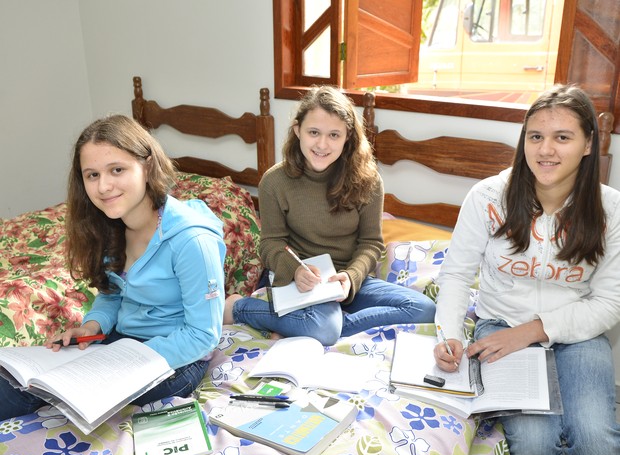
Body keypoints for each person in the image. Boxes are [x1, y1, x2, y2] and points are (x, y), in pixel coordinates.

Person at [433, 84, 620, 455]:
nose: (545, 150)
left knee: (595, 440)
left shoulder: (610, 209)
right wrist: (450, 335)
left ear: (587, 144)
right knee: (535, 444)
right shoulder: (487, 197)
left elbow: (609, 302)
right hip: (499, 323)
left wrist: (533, 331)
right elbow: (455, 275)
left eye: (562, 137)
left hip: (579, 333)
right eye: (535, 136)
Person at [0, 114, 226, 421]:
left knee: (61, 391)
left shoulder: (191, 241)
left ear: (147, 166)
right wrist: (92, 327)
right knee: (17, 380)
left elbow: (202, 335)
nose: (104, 186)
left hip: (177, 360)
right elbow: (112, 295)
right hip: (121, 342)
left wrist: (121, 361)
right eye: (92, 175)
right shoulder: (108, 227)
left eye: (116, 170)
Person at [224, 86, 435, 346]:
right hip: (300, 281)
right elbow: (270, 244)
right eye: (314, 132)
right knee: (324, 330)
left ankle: (302, 324)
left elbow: (371, 243)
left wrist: (351, 277)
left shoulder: (368, 181)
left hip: (345, 280)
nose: (322, 144)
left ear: (347, 137)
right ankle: (238, 308)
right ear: (297, 130)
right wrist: (295, 270)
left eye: (334, 135)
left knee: (424, 309)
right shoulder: (274, 181)